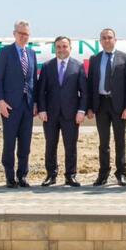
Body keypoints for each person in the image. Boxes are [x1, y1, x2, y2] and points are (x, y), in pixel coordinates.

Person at [86, 28, 126, 186]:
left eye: (109, 37)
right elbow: (90, 83)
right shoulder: (95, 59)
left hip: (119, 106)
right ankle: (103, 174)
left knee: (120, 141)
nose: (107, 40)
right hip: (100, 104)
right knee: (103, 142)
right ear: (100, 41)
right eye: (104, 38)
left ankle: (121, 173)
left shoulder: (124, 58)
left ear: (115, 39)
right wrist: (89, 107)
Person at [36, 36, 87, 187]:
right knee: (50, 145)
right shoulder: (47, 66)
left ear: (70, 48)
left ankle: (70, 175)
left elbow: (84, 92)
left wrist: (81, 110)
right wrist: (42, 109)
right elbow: (41, 90)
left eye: (64, 46)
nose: (61, 49)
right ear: (55, 48)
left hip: (71, 114)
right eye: (58, 47)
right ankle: (51, 175)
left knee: (70, 146)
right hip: (50, 114)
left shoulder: (78, 66)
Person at [0, 20, 38, 188]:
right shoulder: (5, 52)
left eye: (26, 34)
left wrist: (35, 102)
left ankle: (22, 175)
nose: (23, 36)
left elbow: (33, 80)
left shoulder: (31, 53)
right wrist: (0, 101)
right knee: (9, 143)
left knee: (25, 144)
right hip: (10, 106)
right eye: (20, 33)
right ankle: (9, 176)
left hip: (27, 105)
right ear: (14, 34)